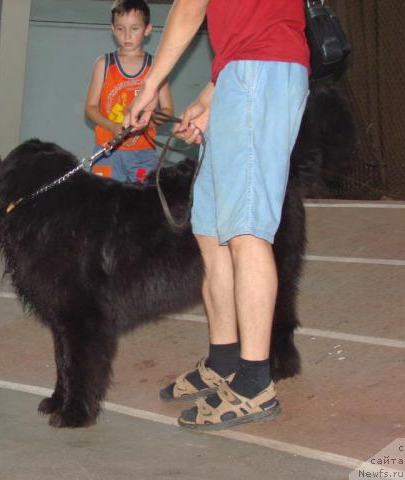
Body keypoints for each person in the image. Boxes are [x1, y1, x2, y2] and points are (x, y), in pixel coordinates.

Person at [125, 0, 309, 430]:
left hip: (261, 69)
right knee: (211, 229)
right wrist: (211, 96)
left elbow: (191, 7)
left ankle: (254, 383)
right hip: (239, 72)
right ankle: (225, 361)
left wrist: (150, 85)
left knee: (246, 232)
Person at [85, 0, 173, 182]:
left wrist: (146, 124)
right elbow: (90, 108)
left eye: (134, 28)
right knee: (103, 205)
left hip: (143, 153)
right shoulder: (104, 64)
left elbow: (168, 111)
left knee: (145, 206)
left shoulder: (157, 67)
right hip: (107, 150)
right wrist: (112, 126)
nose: (127, 35)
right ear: (112, 28)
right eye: (120, 28)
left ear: (148, 29)